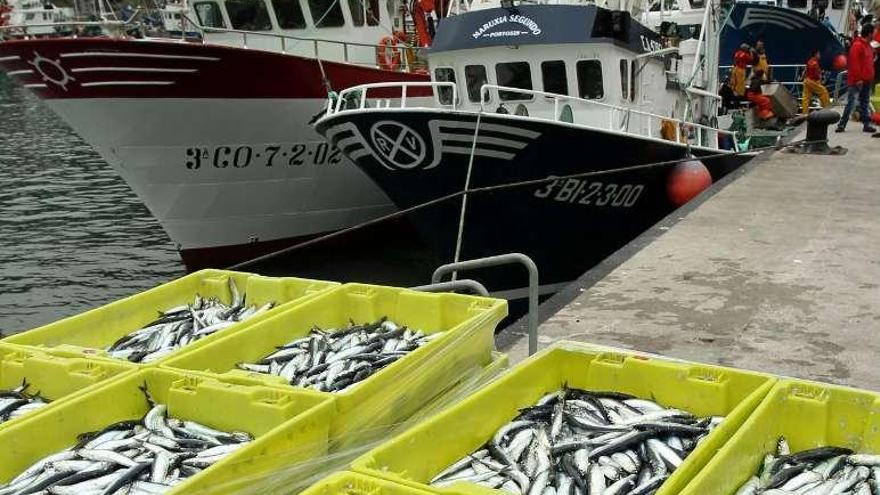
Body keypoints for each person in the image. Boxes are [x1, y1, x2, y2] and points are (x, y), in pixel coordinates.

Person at [836, 24, 877, 132]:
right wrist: (858, 79)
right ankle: (842, 124)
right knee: (852, 102)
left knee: (864, 102)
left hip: (867, 80)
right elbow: (854, 63)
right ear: (869, 33)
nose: (875, 34)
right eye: (874, 32)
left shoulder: (868, 46)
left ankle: (866, 124)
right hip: (857, 81)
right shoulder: (858, 46)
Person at [802, 49, 831, 114]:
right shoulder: (815, 63)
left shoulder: (809, 61)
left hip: (806, 80)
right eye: (819, 54)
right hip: (812, 81)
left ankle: (805, 113)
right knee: (823, 91)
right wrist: (820, 78)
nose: (820, 55)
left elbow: (806, 71)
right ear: (815, 55)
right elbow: (816, 75)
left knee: (806, 98)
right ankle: (827, 109)